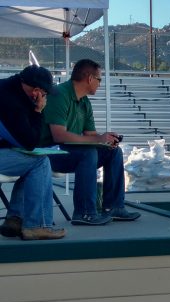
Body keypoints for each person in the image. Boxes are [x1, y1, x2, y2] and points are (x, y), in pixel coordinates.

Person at [41, 59, 140, 225]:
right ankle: (84, 212)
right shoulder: (59, 95)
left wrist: (106, 140)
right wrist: (98, 139)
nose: (100, 84)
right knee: (87, 154)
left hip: (67, 151)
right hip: (47, 152)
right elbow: (59, 136)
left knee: (113, 151)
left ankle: (114, 207)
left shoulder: (85, 102)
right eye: (99, 79)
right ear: (89, 78)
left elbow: (92, 136)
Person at [0, 65, 66, 240]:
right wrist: (38, 110)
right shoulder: (11, 101)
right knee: (39, 161)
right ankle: (36, 225)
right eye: (45, 93)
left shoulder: (9, 88)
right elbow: (30, 142)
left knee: (32, 163)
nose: (45, 97)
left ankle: (15, 219)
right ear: (36, 91)